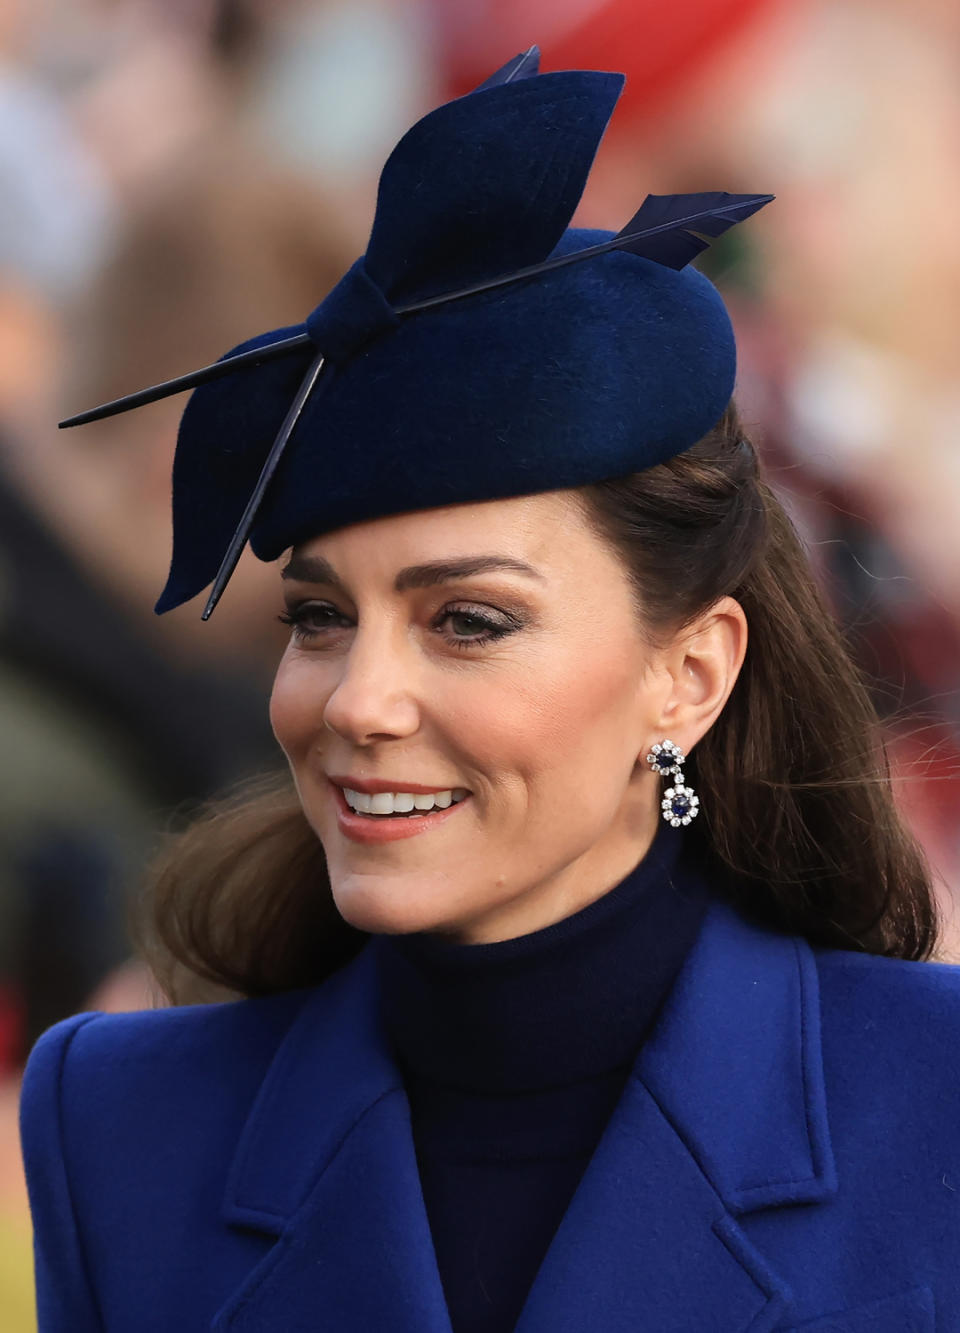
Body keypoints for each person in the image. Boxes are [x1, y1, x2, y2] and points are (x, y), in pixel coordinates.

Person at [19, 49, 960, 1333]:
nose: (359, 700)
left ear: (690, 675)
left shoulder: (931, 1099)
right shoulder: (121, 1122)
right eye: (320, 616)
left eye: (468, 620)